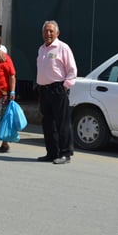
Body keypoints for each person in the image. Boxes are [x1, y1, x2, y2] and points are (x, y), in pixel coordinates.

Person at [36, 20, 77, 164]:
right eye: (45, 31)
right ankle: (52, 153)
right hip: (44, 90)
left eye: (51, 31)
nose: (48, 34)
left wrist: (65, 86)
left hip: (57, 89)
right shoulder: (41, 49)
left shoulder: (63, 48)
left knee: (62, 123)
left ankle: (65, 153)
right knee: (48, 123)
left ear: (57, 33)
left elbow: (72, 70)